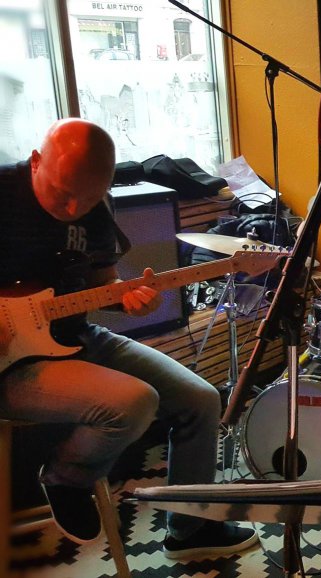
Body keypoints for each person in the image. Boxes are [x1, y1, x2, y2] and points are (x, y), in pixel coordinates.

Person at [0, 119, 258, 559]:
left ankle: (190, 529)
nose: (74, 207)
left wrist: (127, 298)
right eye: (63, 193)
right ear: (36, 161)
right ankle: (65, 478)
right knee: (133, 402)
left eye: (87, 197)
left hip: (75, 336)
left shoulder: (94, 204)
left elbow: (102, 282)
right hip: (11, 365)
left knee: (200, 399)